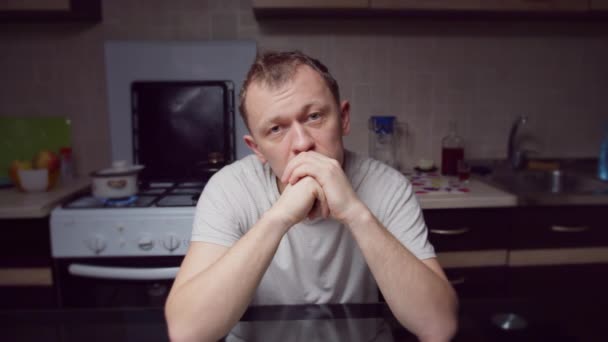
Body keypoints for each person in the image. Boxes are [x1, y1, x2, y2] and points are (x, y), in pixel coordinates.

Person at [165, 51, 458, 342]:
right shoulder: (228, 188)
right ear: (257, 149)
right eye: (276, 129)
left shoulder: (388, 186)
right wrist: (279, 218)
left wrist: (355, 212)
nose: (302, 143)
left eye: (315, 117)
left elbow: (438, 326)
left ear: (343, 118)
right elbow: (188, 332)